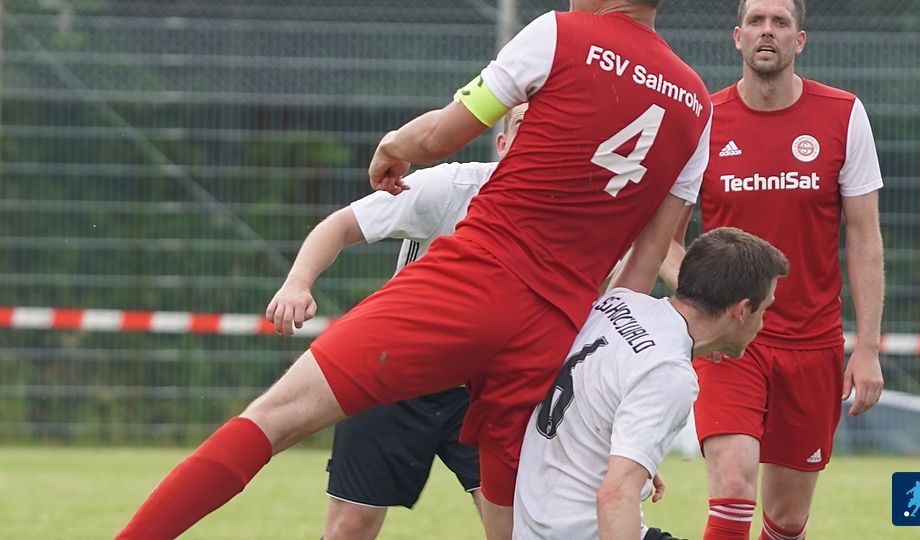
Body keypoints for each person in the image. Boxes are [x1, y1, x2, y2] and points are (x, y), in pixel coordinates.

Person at [116, 1, 712, 539]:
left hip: (476, 280)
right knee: (517, 526)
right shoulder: (697, 105)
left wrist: (393, 145)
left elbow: (438, 137)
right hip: (556, 328)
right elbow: (649, 258)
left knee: (275, 418)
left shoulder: (561, 33)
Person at [645, 1, 885, 538]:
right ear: (738, 36)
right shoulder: (704, 121)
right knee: (733, 487)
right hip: (728, 342)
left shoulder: (844, 115)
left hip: (812, 343)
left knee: (788, 518)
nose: (767, 31)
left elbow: (864, 236)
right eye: (756, 21)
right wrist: (707, 305)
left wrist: (867, 347)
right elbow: (663, 242)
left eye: (781, 22)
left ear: (800, 40)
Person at [265, 104, 525, 539]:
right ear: (502, 144)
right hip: (396, 374)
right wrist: (297, 283)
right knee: (350, 526)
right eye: (522, 124)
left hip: (487, 389)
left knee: (516, 526)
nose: (535, 132)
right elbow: (341, 224)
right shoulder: (451, 186)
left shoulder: (575, 211)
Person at [514, 227, 789, 540]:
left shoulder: (620, 303)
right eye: (764, 309)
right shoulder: (669, 372)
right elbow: (615, 496)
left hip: (538, 521)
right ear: (741, 311)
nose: (762, 323)